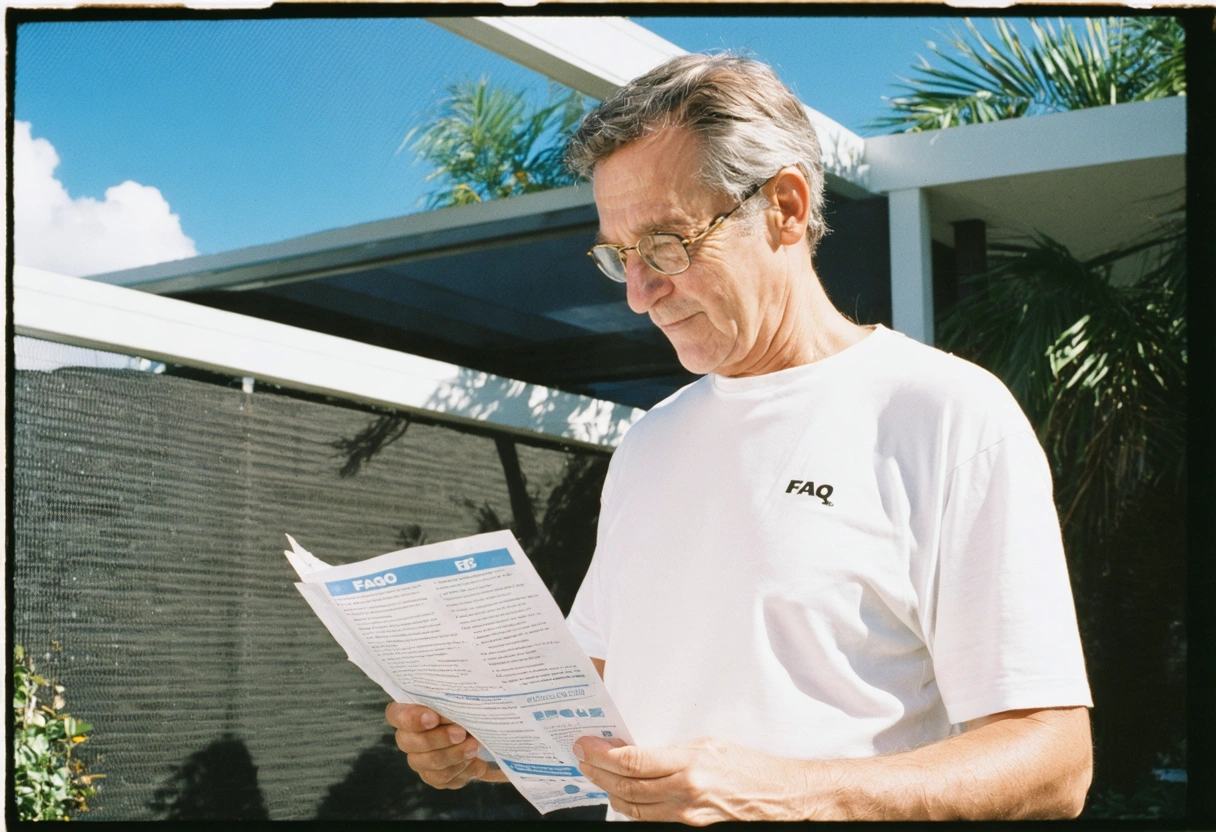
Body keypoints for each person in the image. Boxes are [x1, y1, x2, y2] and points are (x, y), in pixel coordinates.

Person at [386, 53, 1094, 823]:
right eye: (621, 256)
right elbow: (593, 712)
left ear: (785, 207)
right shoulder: (651, 442)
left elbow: (1054, 762)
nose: (638, 293)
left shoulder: (946, 414)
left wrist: (785, 793)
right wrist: (481, 743)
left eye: (666, 243)